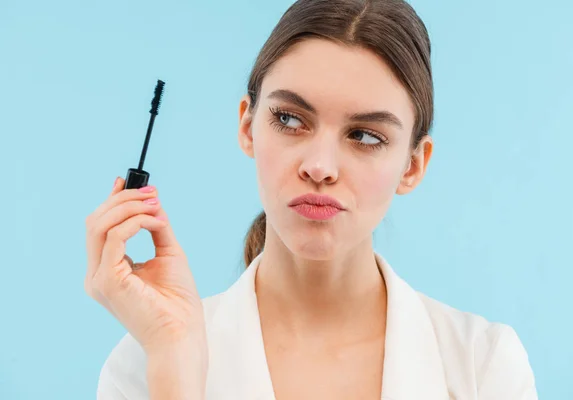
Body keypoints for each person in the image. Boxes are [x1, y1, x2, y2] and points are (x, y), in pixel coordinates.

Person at [85, 0, 538, 399]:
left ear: (413, 166)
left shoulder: (485, 368)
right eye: (289, 118)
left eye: (364, 135)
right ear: (248, 126)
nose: (320, 166)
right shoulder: (145, 365)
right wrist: (174, 365)